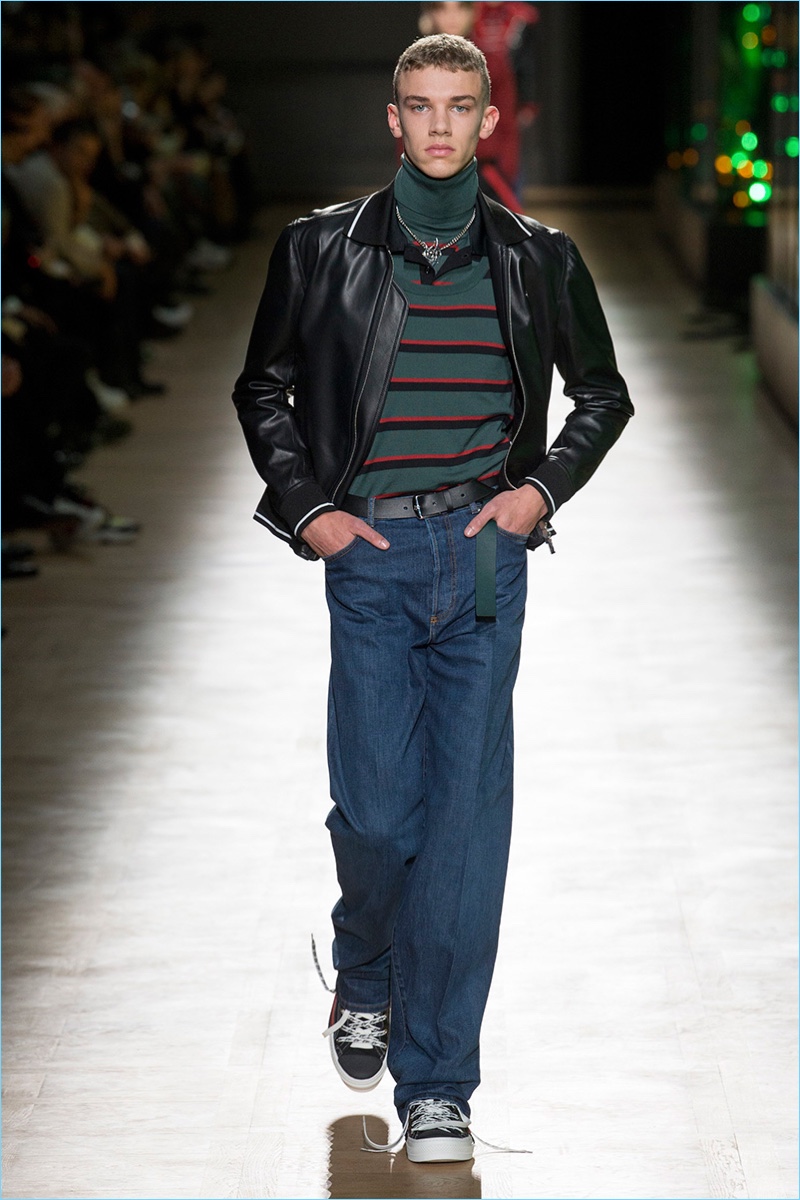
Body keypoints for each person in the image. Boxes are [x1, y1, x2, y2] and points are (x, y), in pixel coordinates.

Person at [232, 33, 632, 1165]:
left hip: (483, 558)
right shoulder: (319, 248)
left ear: (489, 121)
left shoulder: (540, 258)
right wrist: (310, 509)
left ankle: (439, 1083)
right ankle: (365, 966)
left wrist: (538, 491)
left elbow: (601, 394)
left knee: (462, 827)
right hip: (368, 552)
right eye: (421, 105)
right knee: (376, 813)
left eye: (461, 106)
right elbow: (262, 387)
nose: (441, 125)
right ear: (393, 119)